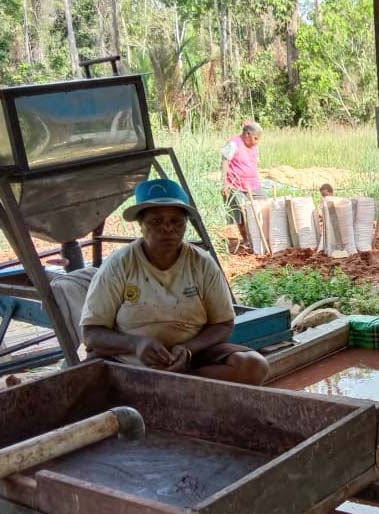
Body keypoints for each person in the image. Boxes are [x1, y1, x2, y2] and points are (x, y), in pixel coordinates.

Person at [81, 179, 269, 385]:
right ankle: (174, 388)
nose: (168, 229)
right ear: (141, 225)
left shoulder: (202, 263)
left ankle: (175, 386)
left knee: (253, 366)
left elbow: (224, 324)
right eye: (156, 221)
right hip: (128, 360)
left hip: (189, 360)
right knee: (85, 381)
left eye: (176, 222)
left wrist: (188, 349)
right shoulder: (119, 265)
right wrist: (136, 344)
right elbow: (92, 334)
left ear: (185, 225)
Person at [221, 121, 265, 249]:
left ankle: (260, 236)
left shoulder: (254, 146)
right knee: (240, 212)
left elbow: (255, 164)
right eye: (255, 138)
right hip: (236, 185)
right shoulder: (233, 144)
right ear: (247, 134)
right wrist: (225, 184)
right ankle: (246, 239)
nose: (257, 142)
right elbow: (224, 162)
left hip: (253, 184)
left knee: (264, 206)